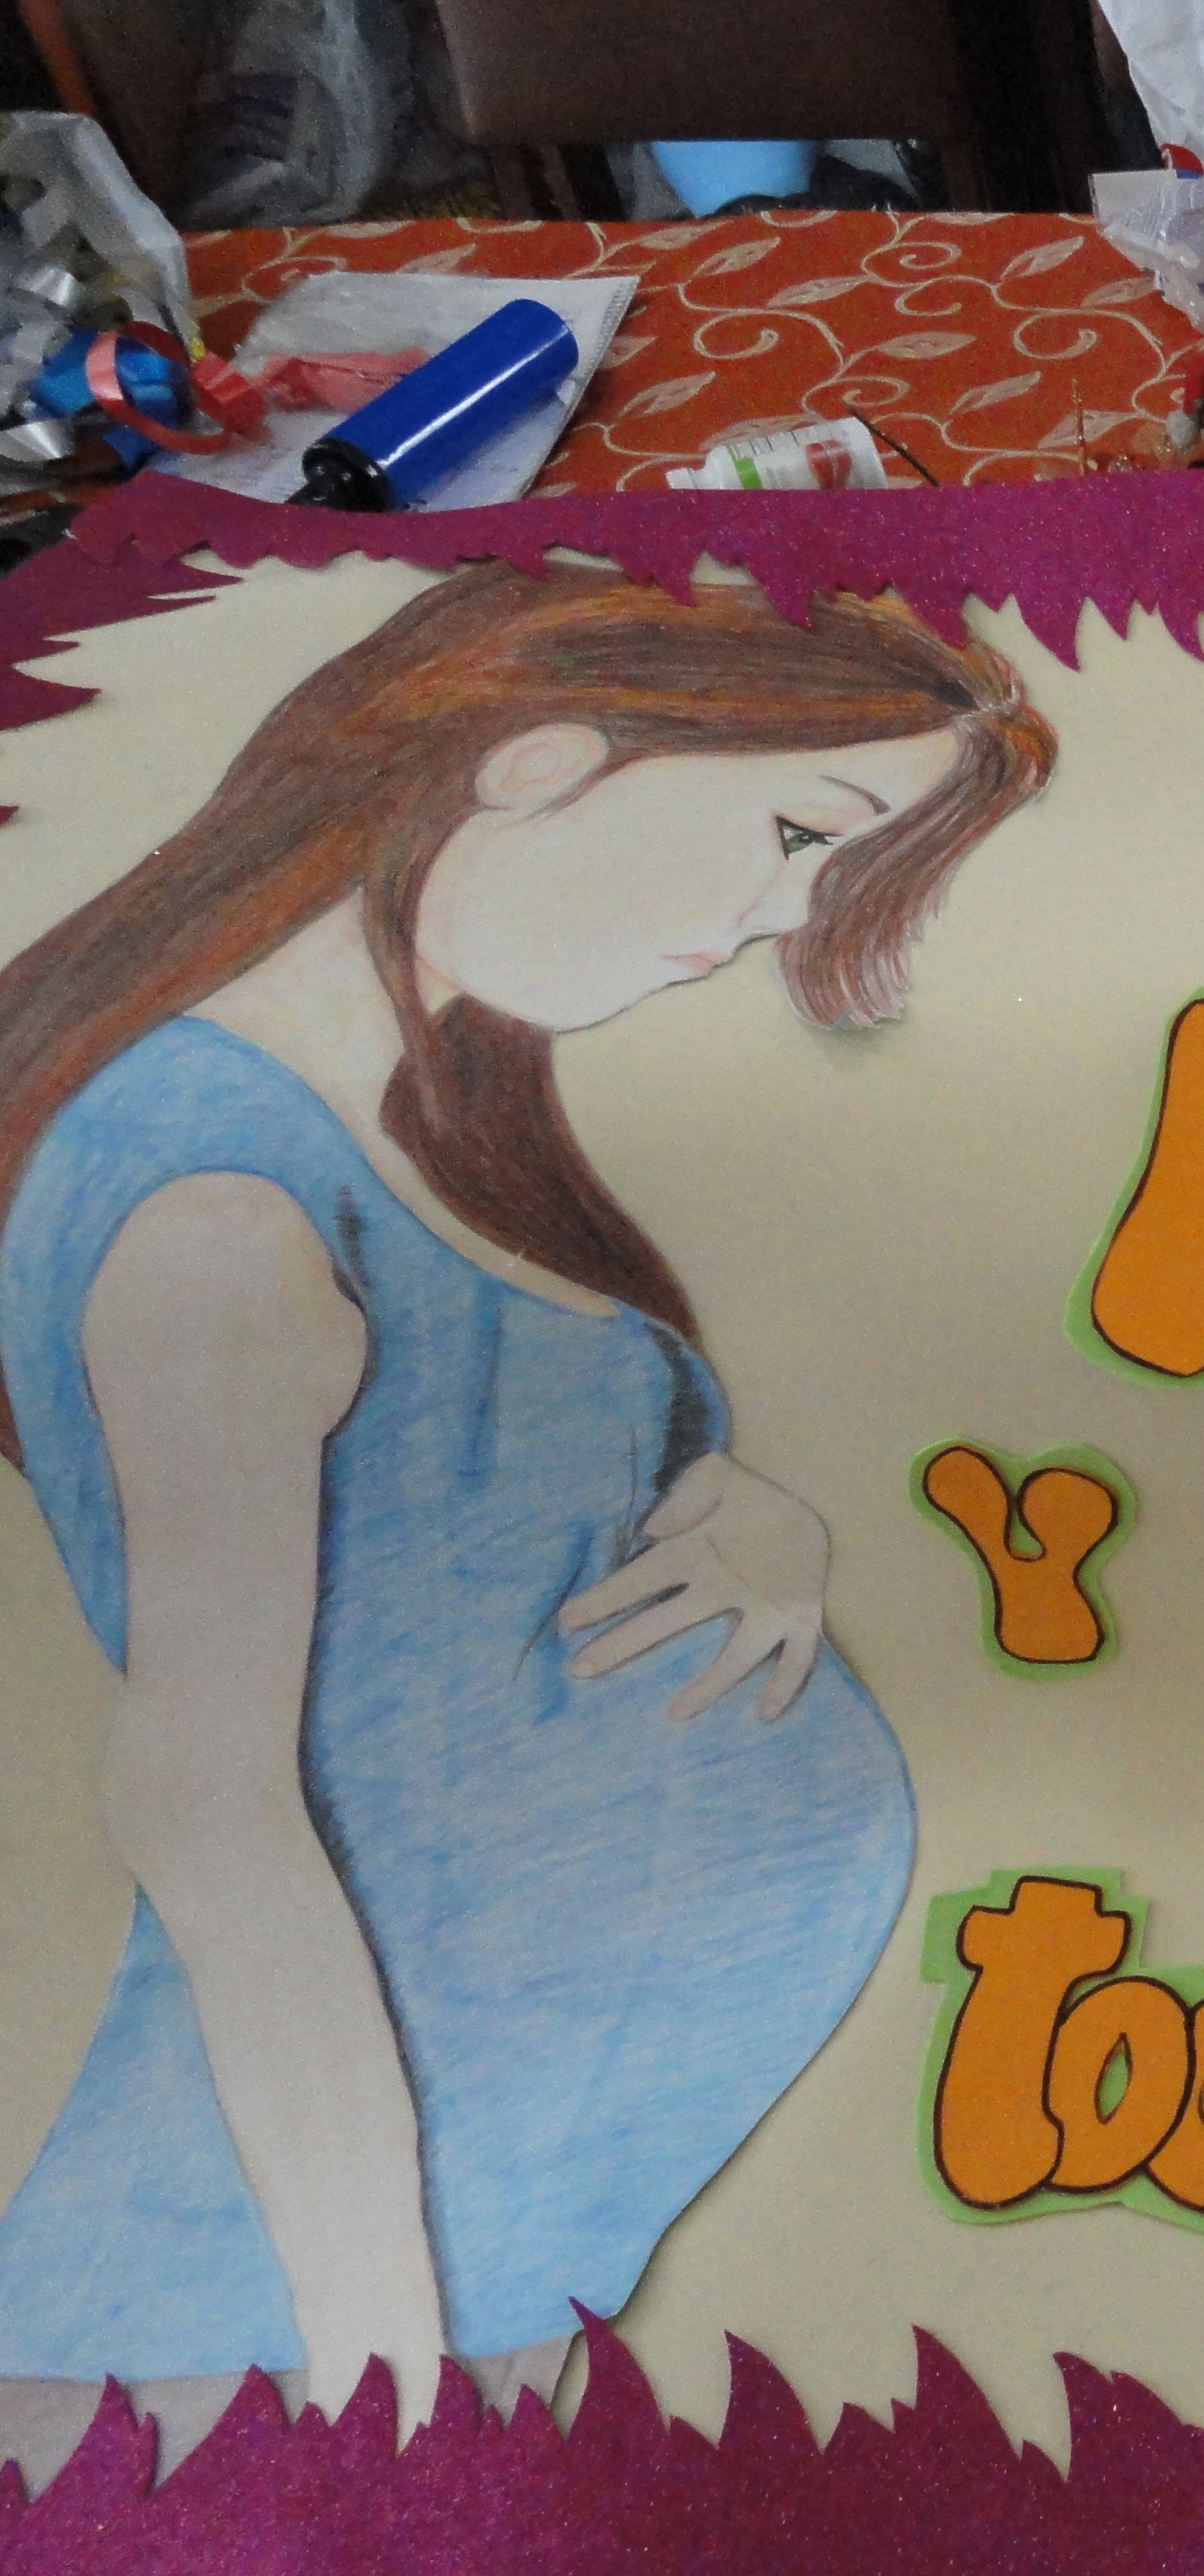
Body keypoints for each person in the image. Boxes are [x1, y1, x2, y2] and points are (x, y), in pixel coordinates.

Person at [0, 562, 1056, 2463]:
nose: (781, 918)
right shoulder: (218, 1207)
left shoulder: (424, 1131)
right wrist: (379, 2368)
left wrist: (747, 1514)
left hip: (490, 2234)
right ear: (536, 760)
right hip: (273, 2306)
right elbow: (205, 1812)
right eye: (797, 839)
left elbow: (453, 1519)